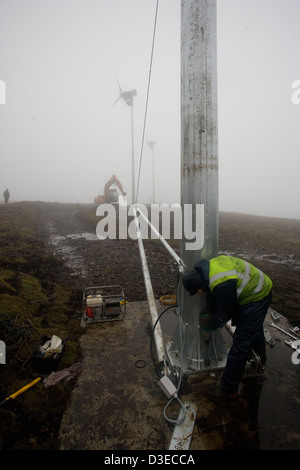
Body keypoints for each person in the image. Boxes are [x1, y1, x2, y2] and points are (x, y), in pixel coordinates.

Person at [182, 254, 273, 401]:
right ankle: (260, 360)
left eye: (197, 291)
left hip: (257, 295)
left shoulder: (221, 283)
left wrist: (213, 323)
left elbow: (229, 309)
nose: (199, 293)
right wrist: (211, 314)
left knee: (241, 343)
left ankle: (228, 389)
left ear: (199, 286)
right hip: (256, 287)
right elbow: (216, 296)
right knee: (253, 328)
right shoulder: (208, 270)